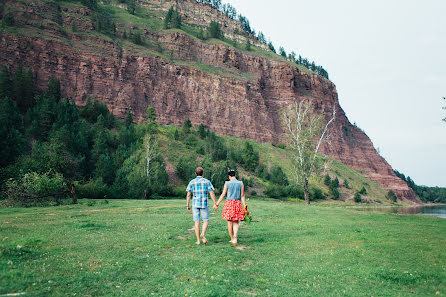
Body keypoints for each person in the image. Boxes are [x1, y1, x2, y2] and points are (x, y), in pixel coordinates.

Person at [186, 167, 217, 245]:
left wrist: (188, 205)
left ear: (195, 174)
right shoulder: (207, 182)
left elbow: (188, 195)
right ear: (203, 173)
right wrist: (215, 203)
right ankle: (202, 234)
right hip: (204, 204)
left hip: (195, 204)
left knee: (197, 222)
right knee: (205, 220)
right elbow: (212, 193)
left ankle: (198, 240)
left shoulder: (192, 182)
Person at [214, 170, 246, 246]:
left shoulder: (227, 183)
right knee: (236, 221)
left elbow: (223, 194)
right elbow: (242, 195)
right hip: (237, 203)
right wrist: (245, 206)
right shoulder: (240, 183)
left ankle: (232, 238)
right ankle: (235, 236)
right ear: (235, 175)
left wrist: (217, 204)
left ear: (229, 176)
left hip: (229, 203)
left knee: (229, 221)